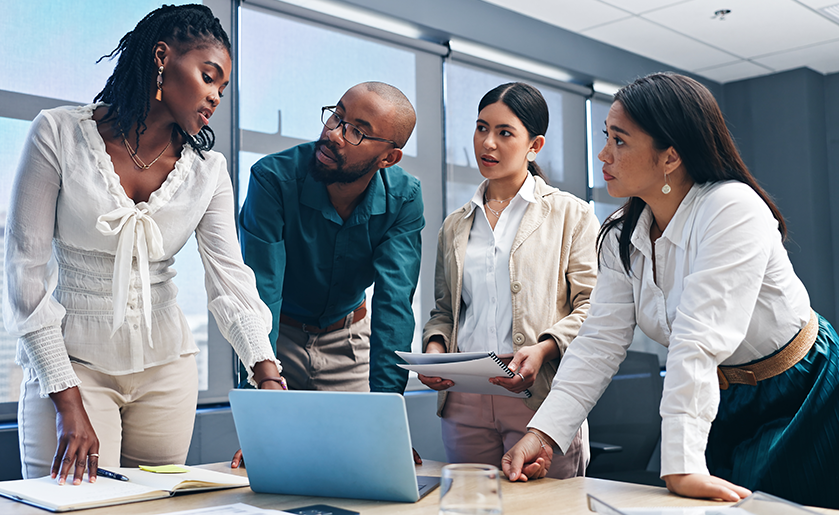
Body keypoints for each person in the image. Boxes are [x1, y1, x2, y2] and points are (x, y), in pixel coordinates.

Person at [502, 72, 839, 509]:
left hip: (802, 391)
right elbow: (598, 342)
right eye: (607, 136)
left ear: (671, 157)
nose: (603, 153)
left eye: (619, 141)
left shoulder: (732, 208)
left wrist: (681, 466)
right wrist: (542, 433)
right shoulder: (621, 234)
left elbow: (697, 338)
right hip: (721, 395)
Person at [4, 4, 283, 485]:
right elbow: (25, 274)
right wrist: (68, 403)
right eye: (208, 76)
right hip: (74, 369)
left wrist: (269, 378)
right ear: (161, 58)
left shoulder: (207, 171)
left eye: (223, 87)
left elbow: (231, 281)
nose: (216, 96)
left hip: (168, 373)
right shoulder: (59, 134)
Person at [419, 82, 597, 478]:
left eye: (504, 133)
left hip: (539, 400)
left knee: (547, 507)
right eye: (482, 128)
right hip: (464, 401)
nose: (488, 143)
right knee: (467, 507)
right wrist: (434, 349)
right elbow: (445, 311)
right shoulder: (455, 225)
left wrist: (545, 349)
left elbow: (594, 308)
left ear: (534, 145)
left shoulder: (572, 214)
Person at [236, 81, 423, 396]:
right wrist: (262, 378)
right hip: (278, 336)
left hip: (349, 340)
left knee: (369, 441)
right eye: (337, 116)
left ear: (388, 158)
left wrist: (387, 406)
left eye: (357, 132)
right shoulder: (273, 179)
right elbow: (261, 289)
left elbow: (394, 300)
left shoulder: (404, 197)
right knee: (269, 442)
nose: (333, 133)